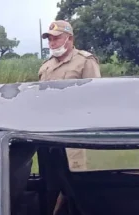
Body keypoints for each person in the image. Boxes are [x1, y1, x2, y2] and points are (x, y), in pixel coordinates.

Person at [39, 20, 101, 170]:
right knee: (51, 175)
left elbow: (96, 96)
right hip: (47, 131)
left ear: (70, 39)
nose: (52, 43)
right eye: (50, 39)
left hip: (74, 130)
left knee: (75, 174)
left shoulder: (85, 61)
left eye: (57, 38)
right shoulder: (45, 66)